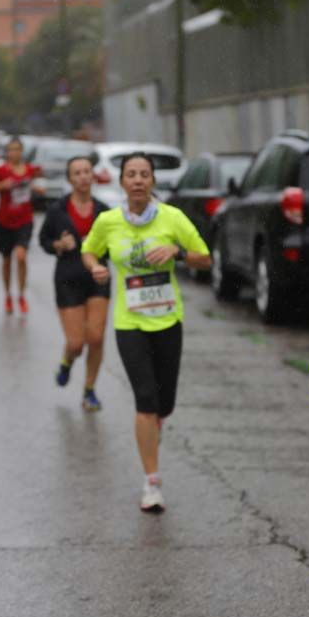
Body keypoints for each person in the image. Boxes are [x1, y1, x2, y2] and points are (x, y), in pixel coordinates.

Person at [81, 153, 211, 513]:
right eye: (131, 175)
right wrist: (96, 269)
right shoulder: (108, 221)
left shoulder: (173, 218)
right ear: (121, 182)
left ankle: (154, 428)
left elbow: (205, 257)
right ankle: (151, 482)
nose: (138, 180)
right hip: (130, 323)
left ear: (152, 181)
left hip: (168, 320)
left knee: (163, 403)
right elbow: (89, 252)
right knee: (145, 401)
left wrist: (178, 251)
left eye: (144, 174)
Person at [39, 156, 111, 412]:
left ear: (93, 176)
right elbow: (44, 241)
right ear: (70, 179)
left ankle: (89, 390)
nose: (82, 177)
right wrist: (59, 245)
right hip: (68, 279)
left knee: (97, 337)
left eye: (86, 171)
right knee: (76, 343)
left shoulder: (104, 211)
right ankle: (67, 362)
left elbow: (115, 245)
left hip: (97, 278)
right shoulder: (57, 210)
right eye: (77, 173)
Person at [0, 138, 45, 315]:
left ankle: (21, 295)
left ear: (22, 151)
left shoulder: (29, 170)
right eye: (11, 150)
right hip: (3, 221)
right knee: (6, 260)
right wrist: (1, 186)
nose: (14, 153)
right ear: (7, 152)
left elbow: (39, 183)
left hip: (24, 220)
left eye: (17, 149)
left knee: (21, 256)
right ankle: (8, 295)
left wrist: (37, 188)